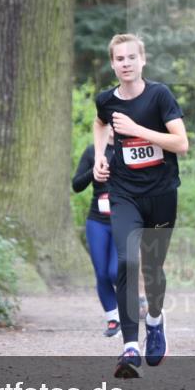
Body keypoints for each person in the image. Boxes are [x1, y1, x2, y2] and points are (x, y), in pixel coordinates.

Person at [93, 34, 188, 378]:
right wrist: (100, 157)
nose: (126, 64)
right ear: (113, 64)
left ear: (142, 60)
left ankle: (156, 322)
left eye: (131, 57)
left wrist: (136, 129)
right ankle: (130, 346)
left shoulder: (159, 95)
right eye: (119, 59)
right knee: (127, 260)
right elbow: (100, 122)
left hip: (161, 194)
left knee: (152, 268)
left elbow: (181, 143)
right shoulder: (106, 100)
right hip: (124, 193)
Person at [71, 125, 120, 337]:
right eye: (109, 125)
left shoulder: (130, 150)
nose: (113, 130)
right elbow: (76, 185)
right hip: (97, 221)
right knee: (101, 273)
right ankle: (113, 319)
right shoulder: (93, 151)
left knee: (115, 271)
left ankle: (132, 304)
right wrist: (94, 172)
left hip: (124, 220)